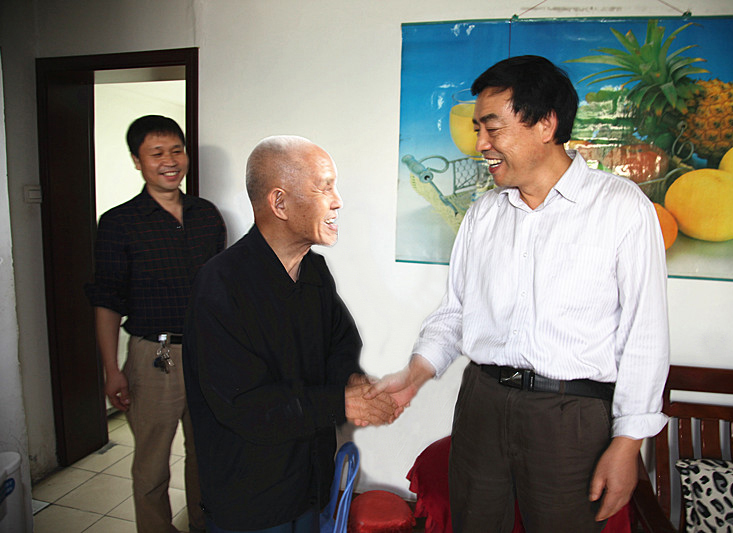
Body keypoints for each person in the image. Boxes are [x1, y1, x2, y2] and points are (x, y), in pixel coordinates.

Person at [370, 55, 670, 532]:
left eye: (492, 129)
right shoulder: (483, 214)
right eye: (478, 130)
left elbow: (644, 334)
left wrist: (628, 442)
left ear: (546, 124)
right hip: (482, 404)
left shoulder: (621, 208)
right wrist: (414, 375)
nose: (480, 145)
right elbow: (456, 313)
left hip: (570, 416)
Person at [182, 135, 398, 533]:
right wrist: (340, 402)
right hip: (252, 497)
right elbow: (243, 404)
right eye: (324, 188)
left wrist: (352, 382)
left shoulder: (314, 271)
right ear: (279, 203)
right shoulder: (220, 285)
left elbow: (341, 342)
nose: (337, 201)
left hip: (309, 483)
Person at [85, 115, 226, 533]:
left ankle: (204, 525)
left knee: (208, 455)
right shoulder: (119, 223)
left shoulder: (206, 215)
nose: (170, 161)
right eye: (157, 153)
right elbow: (107, 301)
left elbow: (222, 290)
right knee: (151, 465)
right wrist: (112, 369)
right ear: (137, 160)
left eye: (176, 151)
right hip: (154, 355)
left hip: (208, 354)